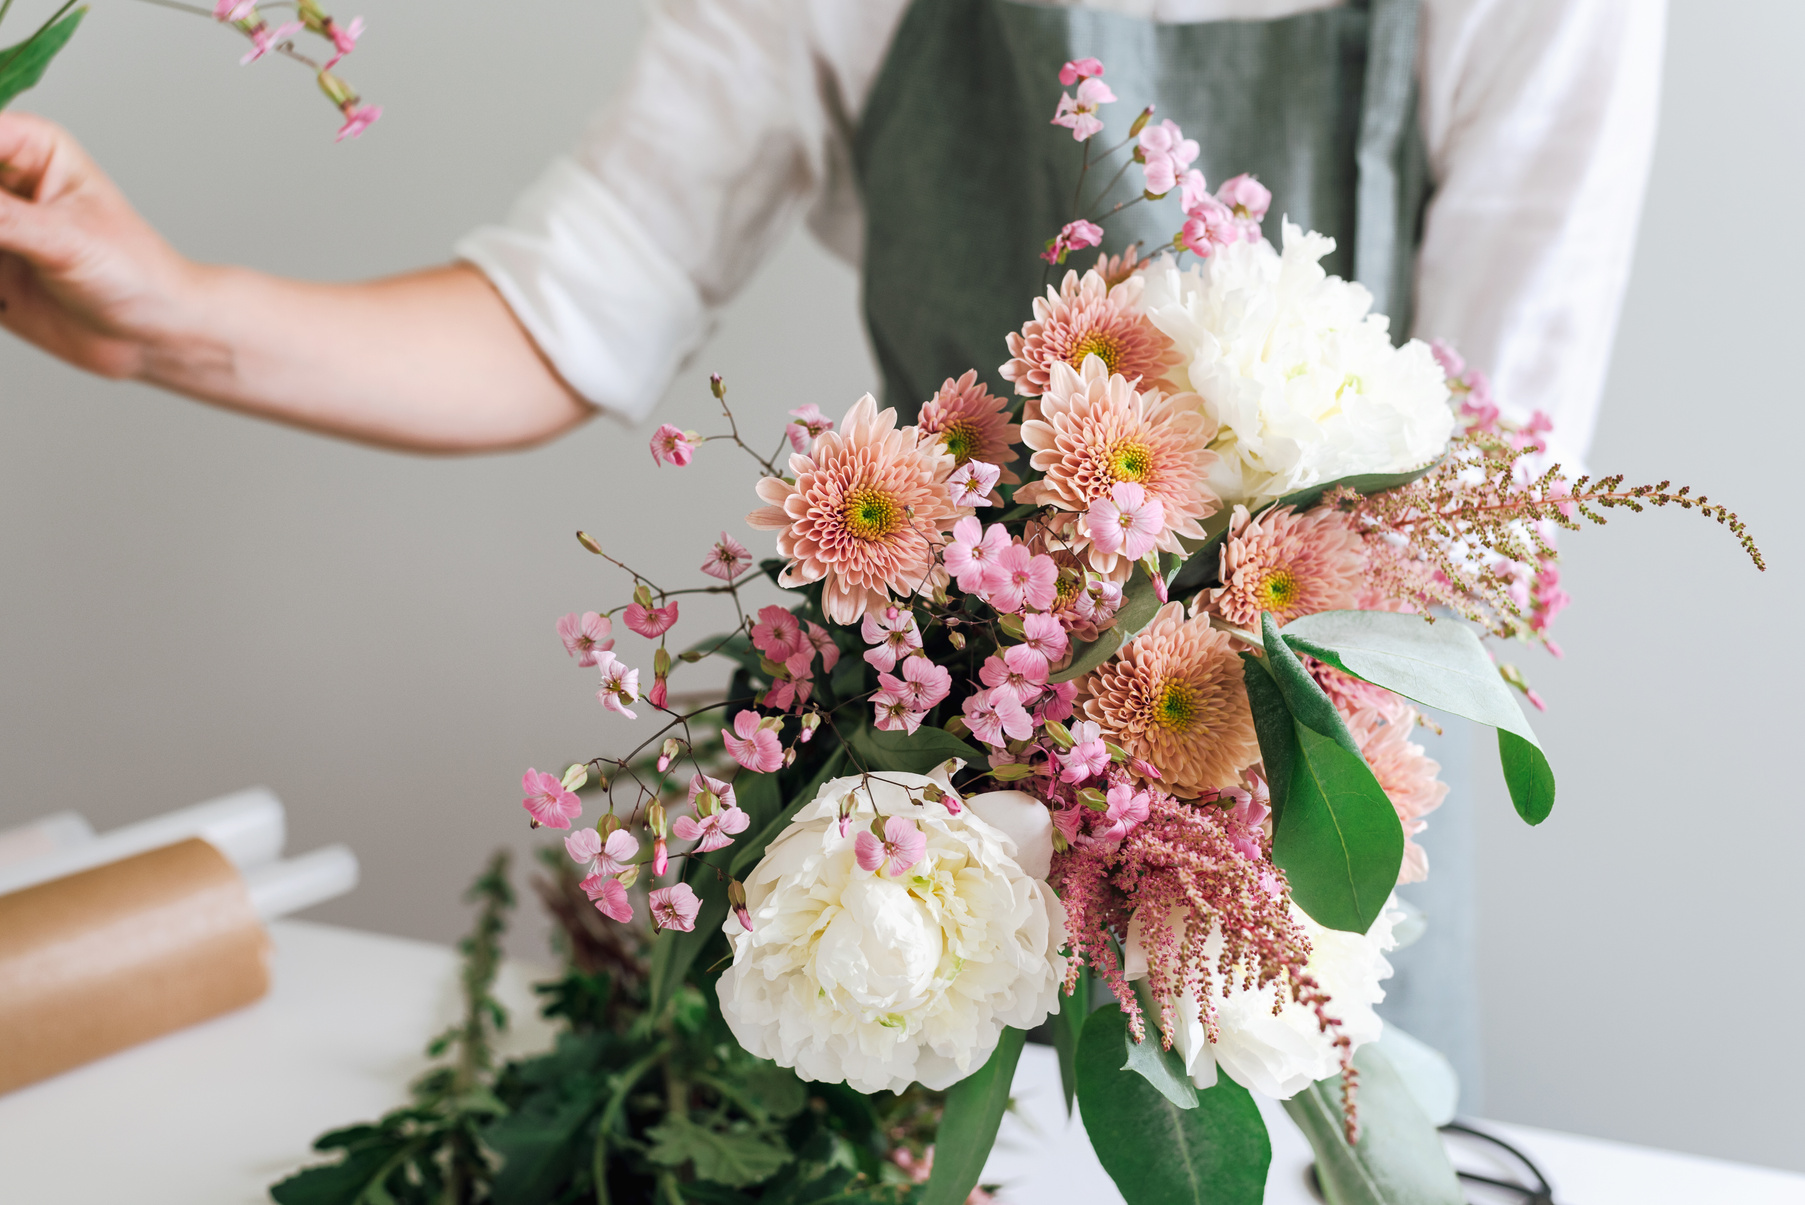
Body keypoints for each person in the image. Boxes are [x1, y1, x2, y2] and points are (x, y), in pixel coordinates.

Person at [0, 0, 1664, 1104]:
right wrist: (168, 322)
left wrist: (1171, 785)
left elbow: (1485, 505)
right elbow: (570, 306)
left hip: (1286, 875)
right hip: (930, 877)